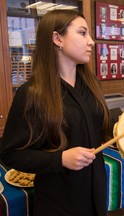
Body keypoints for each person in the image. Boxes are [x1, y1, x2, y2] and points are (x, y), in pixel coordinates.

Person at [0, 10, 110, 216]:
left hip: (95, 191)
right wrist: (60, 159)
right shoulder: (32, 93)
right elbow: (10, 153)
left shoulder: (91, 84)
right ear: (57, 38)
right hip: (59, 201)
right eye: (82, 33)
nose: (91, 42)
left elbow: (96, 129)